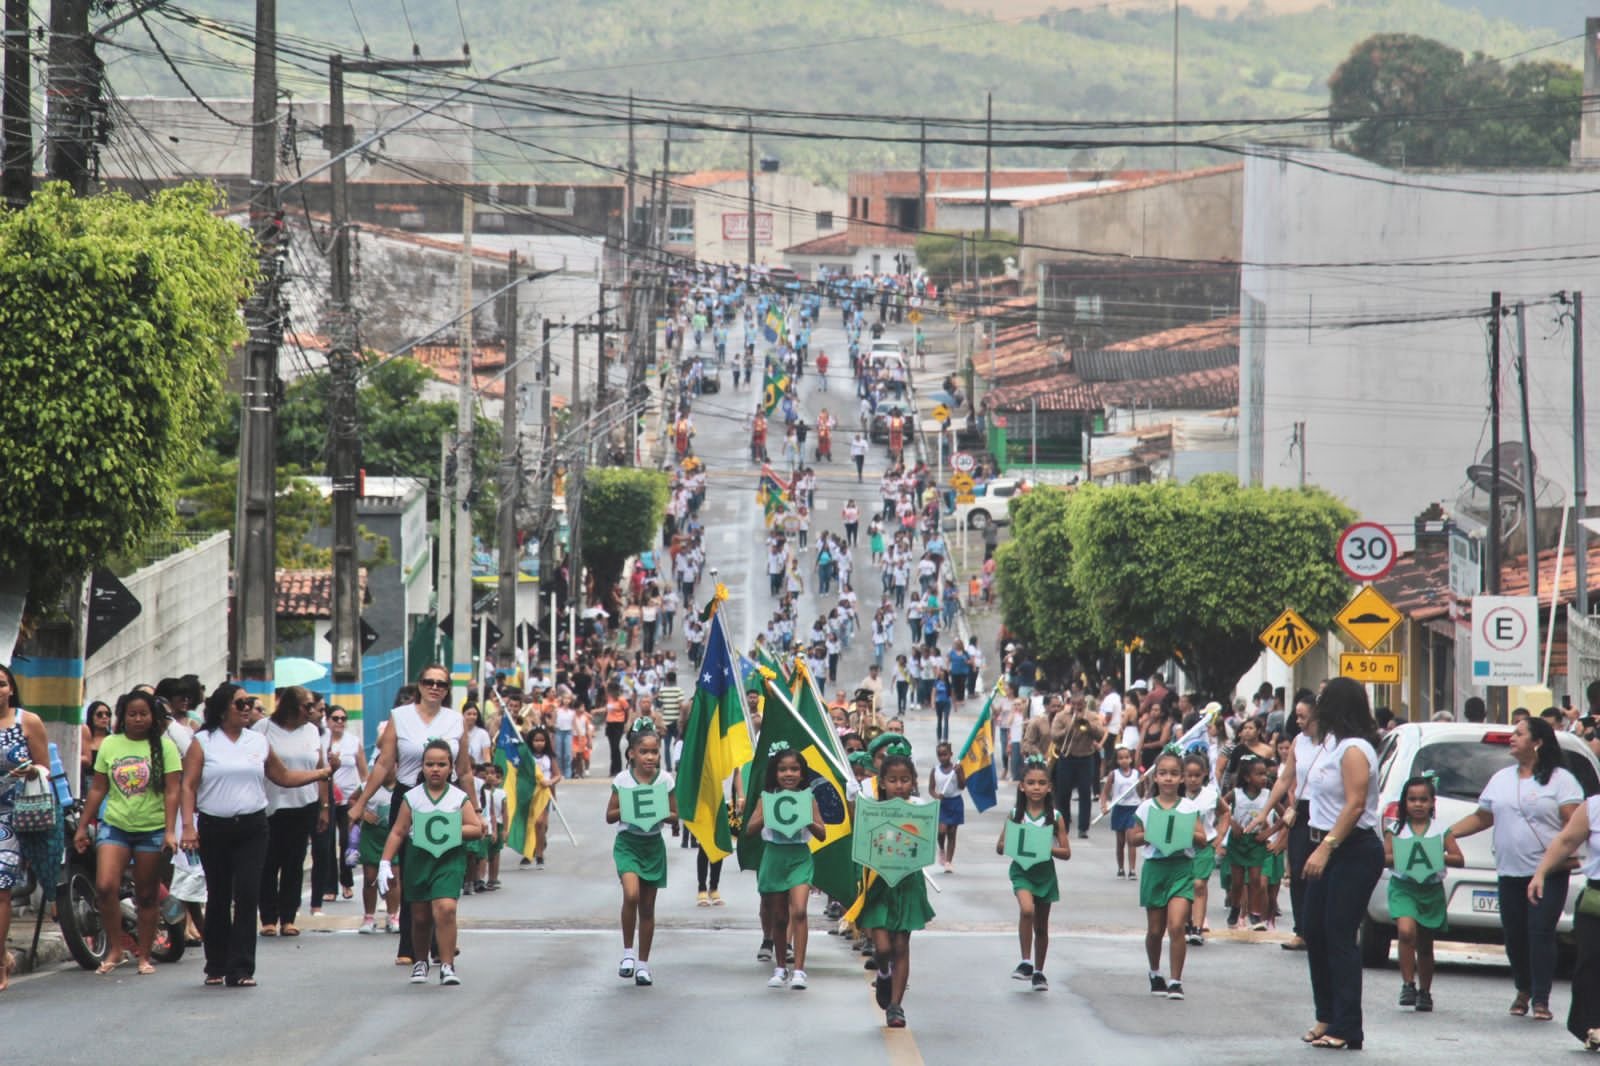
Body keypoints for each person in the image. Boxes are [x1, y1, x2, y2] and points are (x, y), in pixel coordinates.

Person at [180, 683, 333, 987]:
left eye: (249, 702)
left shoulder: (257, 741)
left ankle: (241, 968)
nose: (247, 707)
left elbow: (283, 776)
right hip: (214, 826)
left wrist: (321, 774)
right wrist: (187, 826)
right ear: (224, 709)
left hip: (252, 827)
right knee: (219, 895)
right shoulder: (203, 742)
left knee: (248, 894)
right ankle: (216, 964)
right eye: (240, 703)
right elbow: (188, 785)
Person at [1447, 715, 1582, 1022]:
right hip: (1509, 871)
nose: (1512, 738)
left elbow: (1572, 824)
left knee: (1540, 931)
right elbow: (1483, 817)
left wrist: (1561, 854)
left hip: (1548, 873)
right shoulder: (1501, 779)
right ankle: (1522, 988)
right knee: (1514, 935)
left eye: (1519, 734)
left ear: (1538, 742)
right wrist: (1448, 832)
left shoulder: (1561, 781)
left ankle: (1541, 998)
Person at [349, 664, 476, 967]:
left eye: (441, 684)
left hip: (445, 801)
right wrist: (361, 802)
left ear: (447, 690)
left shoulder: (455, 720)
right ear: (419, 685)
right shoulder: (401, 717)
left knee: (440, 867)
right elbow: (383, 764)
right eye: (428, 682)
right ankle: (409, 944)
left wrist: (476, 808)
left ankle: (440, 943)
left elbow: (464, 769)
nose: (434, 688)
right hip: (409, 797)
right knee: (410, 871)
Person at [1299, 677, 1384, 1050]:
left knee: (1338, 933)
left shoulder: (1353, 749)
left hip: (1352, 849)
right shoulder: (1330, 746)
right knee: (1314, 930)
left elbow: (1355, 804)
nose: (1316, 706)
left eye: (1322, 700)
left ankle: (1348, 1025)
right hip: (1324, 844)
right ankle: (1327, 1014)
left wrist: (1327, 847)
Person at [73, 689, 181, 974]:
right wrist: (84, 825)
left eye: (143, 714)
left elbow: (173, 791)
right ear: (123, 717)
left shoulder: (165, 748)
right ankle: (115, 949)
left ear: (152, 717)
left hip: (152, 829)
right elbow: (98, 787)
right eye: (132, 714)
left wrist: (170, 831)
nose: (138, 719)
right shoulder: (110, 744)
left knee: (146, 895)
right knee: (106, 887)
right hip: (115, 826)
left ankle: (144, 956)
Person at [378, 739, 484, 986]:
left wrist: (444, 828)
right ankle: (420, 961)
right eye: (430, 764)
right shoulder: (411, 797)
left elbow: (475, 828)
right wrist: (385, 862)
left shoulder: (458, 797)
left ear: (450, 768)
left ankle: (447, 965)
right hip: (418, 860)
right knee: (421, 917)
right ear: (422, 767)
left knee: (446, 908)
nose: (435, 769)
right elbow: (398, 831)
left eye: (441, 764)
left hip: (448, 860)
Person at [861, 747, 935, 1028]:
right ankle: (883, 971)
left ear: (913, 781)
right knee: (882, 948)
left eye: (905, 779)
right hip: (879, 883)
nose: (899, 785)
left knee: (901, 944)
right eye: (892, 779)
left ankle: (896, 1006)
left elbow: (928, 841)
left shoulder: (920, 808)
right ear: (882, 782)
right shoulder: (872, 807)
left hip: (908, 883)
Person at [254, 686, 333, 937]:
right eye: (307, 706)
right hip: (271, 805)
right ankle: (268, 917)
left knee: (295, 862)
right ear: (290, 706)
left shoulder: (312, 731)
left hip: (304, 804)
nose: (313, 711)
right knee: (268, 863)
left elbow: (321, 770)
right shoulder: (263, 729)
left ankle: (288, 917)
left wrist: (324, 806)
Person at [745, 742, 825, 990]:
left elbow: (821, 833)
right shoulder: (766, 798)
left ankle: (799, 970)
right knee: (778, 916)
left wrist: (808, 820)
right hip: (774, 856)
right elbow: (749, 830)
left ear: (802, 773)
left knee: (799, 910)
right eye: (782, 769)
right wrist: (766, 814)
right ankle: (781, 967)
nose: (788, 774)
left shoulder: (808, 797)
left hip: (799, 857)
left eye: (794, 769)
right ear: (775, 773)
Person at [1129, 749, 1207, 1000]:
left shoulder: (1188, 807)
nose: (1168, 779)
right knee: (1155, 930)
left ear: (1182, 778)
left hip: (1181, 869)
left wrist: (1186, 832)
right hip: (1155, 869)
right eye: (1163, 773)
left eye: (1174, 774)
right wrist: (1153, 831)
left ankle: (1175, 980)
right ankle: (1154, 972)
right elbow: (1134, 838)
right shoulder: (1145, 807)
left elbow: (1202, 839)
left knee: (1176, 926)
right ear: (1155, 777)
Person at [1529, 778, 1600, 1049]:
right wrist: (1541, 873)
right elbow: (1566, 840)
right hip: (1596, 898)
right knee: (1591, 960)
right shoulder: (1593, 807)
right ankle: (1592, 1025)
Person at [607, 719, 677, 987]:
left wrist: (661, 812)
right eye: (644, 752)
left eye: (654, 752)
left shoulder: (665, 779)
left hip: (653, 845)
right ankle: (627, 954)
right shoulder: (623, 780)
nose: (650, 757)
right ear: (632, 753)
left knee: (647, 907)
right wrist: (630, 808)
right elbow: (610, 815)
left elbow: (674, 816)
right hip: (628, 844)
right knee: (631, 894)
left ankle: (644, 964)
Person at [1385, 774, 1463, 1012]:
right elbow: (1385, 857)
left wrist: (1435, 857)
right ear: (1404, 803)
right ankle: (1408, 984)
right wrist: (1405, 856)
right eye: (1412, 799)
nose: (1418, 804)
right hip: (1403, 888)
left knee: (1425, 944)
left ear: (1432, 803)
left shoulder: (1441, 831)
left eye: (1423, 799)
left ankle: (1425, 991)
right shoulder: (1395, 829)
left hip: (1430, 891)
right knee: (1406, 931)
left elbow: (1458, 858)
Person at [997, 755, 1070, 990]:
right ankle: (1025, 960)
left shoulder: (1055, 817)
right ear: (1022, 785)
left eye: (1041, 783)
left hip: (1045, 874)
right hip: (1022, 872)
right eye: (1031, 782)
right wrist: (1014, 844)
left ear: (1049, 787)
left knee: (1041, 926)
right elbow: (1000, 846)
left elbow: (1066, 851)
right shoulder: (1016, 814)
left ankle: (1039, 971)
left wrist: (1048, 849)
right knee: (1027, 910)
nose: (1036, 788)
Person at [316, 705, 365, 908]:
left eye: (343, 718)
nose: (339, 722)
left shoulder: (353, 742)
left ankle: (346, 882)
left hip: (348, 799)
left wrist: (364, 799)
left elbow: (363, 772)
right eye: (335, 718)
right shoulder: (320, 741)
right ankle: (329, 887)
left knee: (346, 841)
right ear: (327, 720)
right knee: (326, 843)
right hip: (327, 799)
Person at [1181, 753, 1229, 947]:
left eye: (1197, 775)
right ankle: (1185, 922)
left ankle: (1197, 928)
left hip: (1204, 846)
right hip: (1181, 848)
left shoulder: (1210, 795)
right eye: (1189, 775)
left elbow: (1225, 812)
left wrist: (1219, 837)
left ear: (1204, 775)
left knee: (1199, 884)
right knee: (1185, 886)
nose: (1193, 779)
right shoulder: (1176, 794)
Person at [1226, 755, 1273, 932]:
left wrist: (1269, 832)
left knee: (1255, 879)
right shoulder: (1236, 793)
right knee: (1237, 881)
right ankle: (1235, 908)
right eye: (1259, 774)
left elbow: (1285, 815)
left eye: (1265, 774)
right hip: (1238, 841)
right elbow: (1220, 807)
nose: (1264, 778)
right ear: (1247, 777)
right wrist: (1232, 823)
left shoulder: (1268, 795)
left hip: (1256, 841)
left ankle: (1255, 914)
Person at [355, 761, 400, 934]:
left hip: (393, 836)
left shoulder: (402, 788)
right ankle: (369, 917)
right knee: (370, 877)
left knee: (393, 878)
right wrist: (364, 814)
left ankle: (392, 916)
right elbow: (353, 801)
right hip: (372, 837)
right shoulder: (368, 786)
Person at [1101, 745, 1143, 879]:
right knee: (1120, 842)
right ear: (1117, 760)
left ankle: (1132, 869)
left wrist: (1142, 782)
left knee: (1132, 839)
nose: (1124, 760)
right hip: (1119, 808)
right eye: (1121, 758)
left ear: (1131, 759)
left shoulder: (1137, 774)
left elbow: (1141, 793)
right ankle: (1120, 868)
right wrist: (1104, 806)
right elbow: (1105, 793)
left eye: (1127, 757)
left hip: (1133, 808)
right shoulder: (1114, 774)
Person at [930, 741, 966, 872]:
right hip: (943, 804)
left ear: (951, 754)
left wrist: (958, 773)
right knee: (941, 831)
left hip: (955, 802)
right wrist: (936, 795)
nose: (942, 757)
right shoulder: (935, 770)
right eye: (939, 755)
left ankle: (949, 862)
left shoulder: (957, 768)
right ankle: (941, 849)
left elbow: (962, 785)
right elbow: (931, 789)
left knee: (952, 833)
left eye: (945, 754)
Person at [80, 700, 112, 798]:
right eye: (99, 714)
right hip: (87, 782)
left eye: (108, 714)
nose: (104, 717)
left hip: (108, 783)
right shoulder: (85, 737)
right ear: (91, 716)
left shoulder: (113, 740)